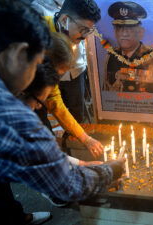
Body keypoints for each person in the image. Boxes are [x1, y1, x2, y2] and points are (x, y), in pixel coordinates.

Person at [0, 1, 124, 224]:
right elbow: (69, 187)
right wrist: (111, 170)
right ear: (20, 54)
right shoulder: (5, 113)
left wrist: (74, 162)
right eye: (36, 65)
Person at [40, 0, 105, 158]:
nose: (84, 37)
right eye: (83, 29)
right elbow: (50, 99)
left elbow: (52, 98)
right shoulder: (38, 34)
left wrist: (85, 138)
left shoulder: (70, 39)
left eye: (89, 31)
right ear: (64, 20)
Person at [104, 1, 153, 93]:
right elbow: (107, 90)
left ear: (140, 32)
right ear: (115, 32)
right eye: (119, 28)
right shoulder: (111, 58)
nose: (124, 33)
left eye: (130, 29)